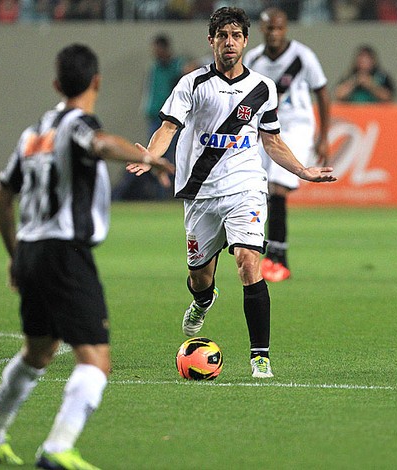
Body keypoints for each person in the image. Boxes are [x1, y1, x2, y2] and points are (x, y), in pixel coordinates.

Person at [0, 43, 172, 469]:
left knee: (38, 353)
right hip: (65, 254)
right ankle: (59, 446)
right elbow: (99, 144)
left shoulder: (32, 134)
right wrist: (149, 157)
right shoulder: (78, 124)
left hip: (32, 251)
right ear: (97, 81)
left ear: (57, 84)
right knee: (96, 360)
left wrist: (15, 255)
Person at [127, 7, 336, 378]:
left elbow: (271, 142)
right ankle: (203, 301)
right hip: (201, 193)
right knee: (200, 278)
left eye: (236, 35)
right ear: (211, 41)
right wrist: (150, 154)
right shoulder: (191, 85)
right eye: (222, 36)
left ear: (245, 40)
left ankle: (260, 358)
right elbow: (168, 129)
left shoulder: (261, 89)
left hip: (245, 188)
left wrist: (302, 171)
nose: (229, 42)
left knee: (247, 262)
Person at [243, 7, 331, 282]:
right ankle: (260, 252)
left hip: (297, 126)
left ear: (286, 29)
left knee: (278, 186)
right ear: (262, 29)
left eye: (279, 28)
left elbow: (323, 93)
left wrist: (324, 136)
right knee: (256, 186)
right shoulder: (254, 59)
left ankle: (278, 257)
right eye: (269, 28)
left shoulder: (303, 56)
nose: (274, 33)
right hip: (266, 129)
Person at [112, 33, 185, 201]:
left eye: (158, 48)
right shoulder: (154, 67)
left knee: (171, 156)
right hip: (154, 118)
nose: (155, 52)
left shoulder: (177, 67)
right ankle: (161, 195)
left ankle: (173, 194)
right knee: (154, 156)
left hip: (171, 120)